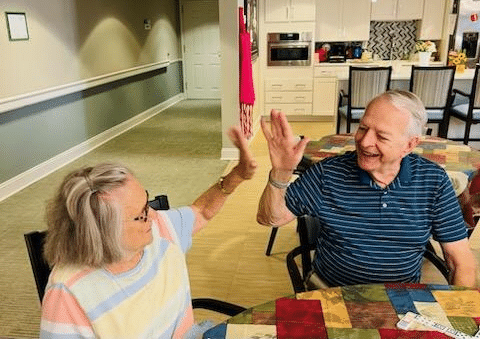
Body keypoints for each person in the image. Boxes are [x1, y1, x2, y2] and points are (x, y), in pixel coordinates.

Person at [40, 126, 257, 339]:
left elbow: (201, 212)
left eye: (147, 203)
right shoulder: (68, 293)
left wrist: (237, 175)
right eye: (140, 214)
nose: (153, 215)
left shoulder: (160, 229)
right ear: (101, 234)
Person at [258, 90, 477, 287]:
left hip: (399, 300)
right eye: (363, 128)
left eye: (381, 136)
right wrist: (281, 172)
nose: (364, 141)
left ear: (410, 144)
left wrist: (460, 319)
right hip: (330, 293)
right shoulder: (328, 173)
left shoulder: (434, 181)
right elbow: (270, 218)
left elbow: (460, 262)